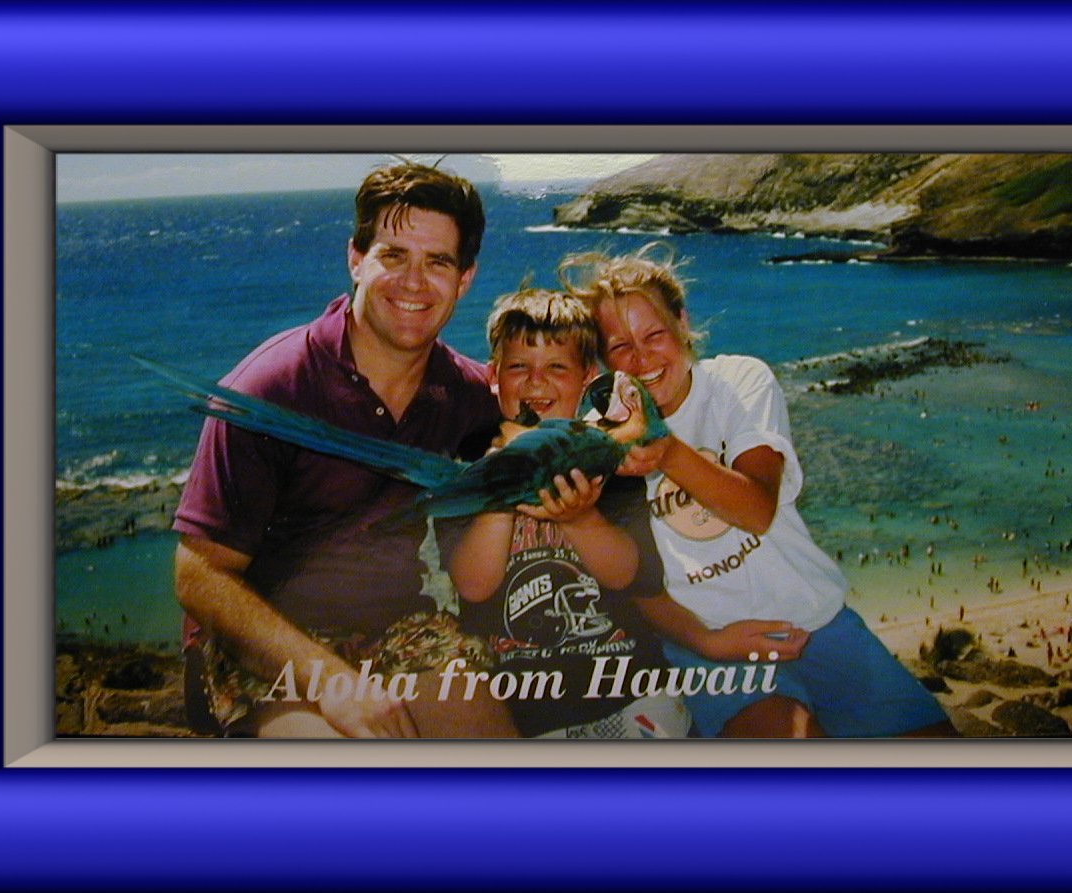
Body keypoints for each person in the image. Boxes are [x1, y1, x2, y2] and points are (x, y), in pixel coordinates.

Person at [172, 162, 518, 738]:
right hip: (261, 643)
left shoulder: (467, 396)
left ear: (465, 279)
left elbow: (547, 425)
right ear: (356, 259)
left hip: (396, 628)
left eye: (438, 262)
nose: (414, 281)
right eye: (394, 255)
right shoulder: (270, 389)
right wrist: (330, 682)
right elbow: (199, 575)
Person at [563, 243, 956, 738]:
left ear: (683, 323)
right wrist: (707, 643)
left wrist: (665, 452)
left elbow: (757, 509)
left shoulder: (737, 382)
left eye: (655, 334)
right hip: (709, 644)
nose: (642, 359)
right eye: (620, 346)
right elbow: (635, 581)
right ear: (603, 361)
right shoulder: (604, 440)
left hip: (816, 622)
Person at [438, 289, 690, 738]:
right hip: (525, 707)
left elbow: (626, 574)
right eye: (519, 367)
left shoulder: (608, 460)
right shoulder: (467, 470)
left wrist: (580, 520)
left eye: (556, 367)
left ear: (587, 377)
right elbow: (474, 585)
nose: (536, 383)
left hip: (631, 689)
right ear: (494, 375)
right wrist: (503, 484)